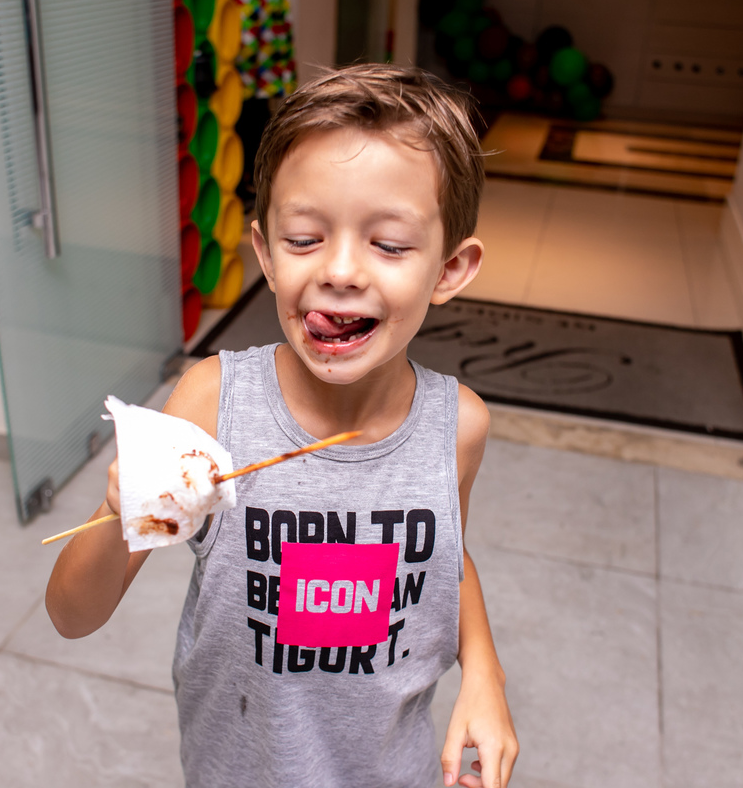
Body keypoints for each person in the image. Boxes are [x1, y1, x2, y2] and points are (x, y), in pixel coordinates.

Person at [45, 63, 519, 788]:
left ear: (450, 269)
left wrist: (485, 671)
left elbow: (447, 558)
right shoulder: (213, 403)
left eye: (390, 245)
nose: (341, 271)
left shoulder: (459, 425)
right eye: (303, 238)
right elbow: (72, 615)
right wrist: (120, 511)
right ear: (265, 254)